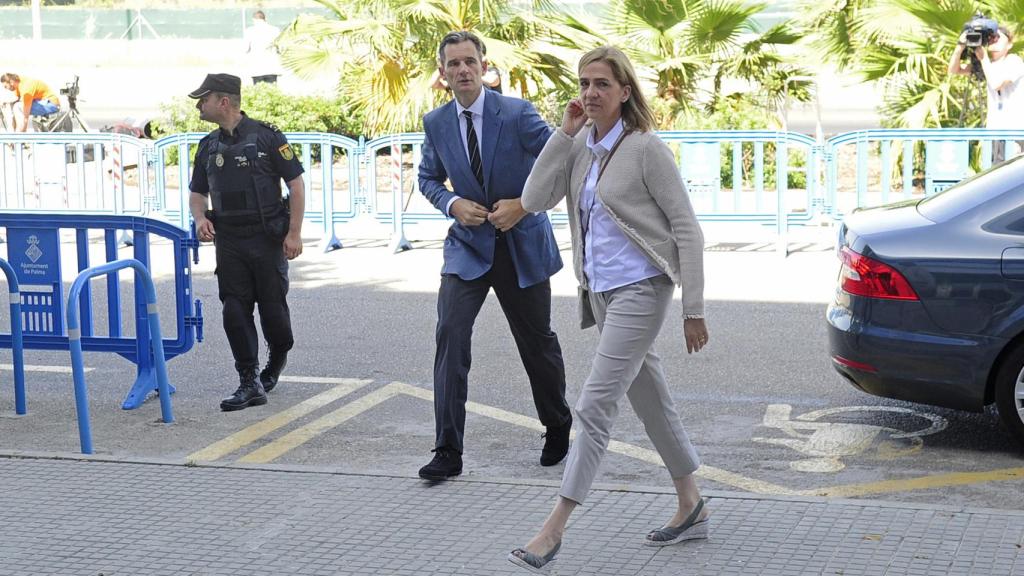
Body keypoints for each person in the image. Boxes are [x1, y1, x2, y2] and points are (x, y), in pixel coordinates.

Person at [508, 46, 710, 572]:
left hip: (642, 290)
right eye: (583, 84)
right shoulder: (580, 147)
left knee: (595, 405)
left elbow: (686, 228)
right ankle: (691, 502)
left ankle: (553, 530)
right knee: (650, 399)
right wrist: (564, 133)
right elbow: (532, 198)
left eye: (601, 84)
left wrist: (693, 307)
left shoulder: (645, 148)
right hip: (602, 294)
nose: (590, 93)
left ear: (625, 91)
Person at [416, 31, 572, 481]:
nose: (462, 70)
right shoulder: (436, 122)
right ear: (443, 74)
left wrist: (524, 204)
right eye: (453, 64)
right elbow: (427, 178)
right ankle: (448, 450)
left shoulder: (518, 113)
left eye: (469, 61)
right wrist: (452, 203)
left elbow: (557, 163)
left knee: (536, 342)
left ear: (484, 67)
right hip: (468, 248)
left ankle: (558, 423)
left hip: (521, 245)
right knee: (450, 335)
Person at [187, 73, 305, 411]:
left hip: (267, 239)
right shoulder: (208, 145)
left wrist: (294, 233)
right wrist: (200, 219)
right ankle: (249, 380)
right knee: (234, 310)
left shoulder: (267, 138)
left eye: (204, 98)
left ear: (223, 102)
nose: (199, 105)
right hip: (230, 242)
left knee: (274, 315)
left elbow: (296, 185)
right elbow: (198, 192)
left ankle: (276, 360)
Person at [948, 26, 1024, 162]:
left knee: (1010, 176)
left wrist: (983, 58)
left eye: (998, 37)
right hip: (994, 132)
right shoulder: (988, 65)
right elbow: (954, 70)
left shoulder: (1014, 61)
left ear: (1010, 45)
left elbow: (996, 83)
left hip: (1014, 132)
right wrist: (960, 46)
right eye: (992, 37)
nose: (994, 40)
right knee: (996, 175)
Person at [244, 10, 282, 85]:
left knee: (258, 94)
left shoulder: (249, 31)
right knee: (272, 94)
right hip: (272, 68)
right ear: (265, 19)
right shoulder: (275, 30)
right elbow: (280, 48)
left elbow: (245, 49)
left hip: (257, 69)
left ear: (254, 20)